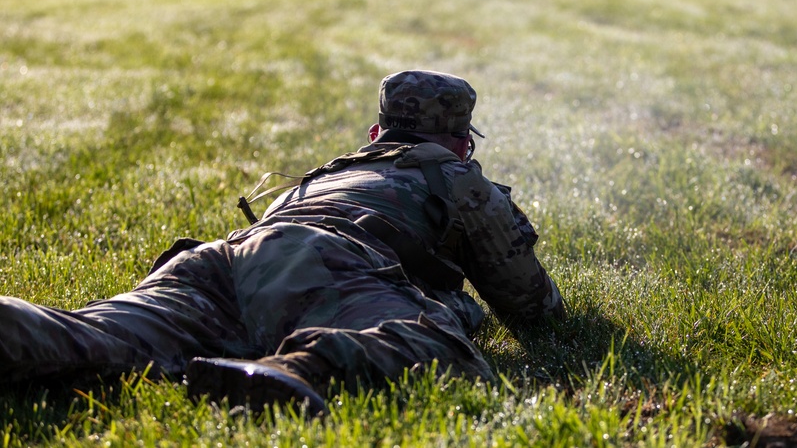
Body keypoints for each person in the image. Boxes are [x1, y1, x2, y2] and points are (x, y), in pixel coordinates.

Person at [0, 70, 565, 413]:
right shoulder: (459, 177)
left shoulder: (324, 175)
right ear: (461, 142)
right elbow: (532, 306)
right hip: (331, 267)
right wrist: (459, 303)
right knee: (443, 349)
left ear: (376, 133)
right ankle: (297, 371)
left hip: (218, 261)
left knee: (93, 334)